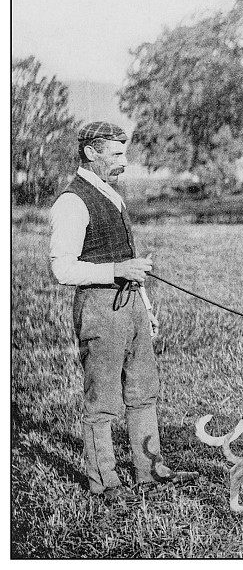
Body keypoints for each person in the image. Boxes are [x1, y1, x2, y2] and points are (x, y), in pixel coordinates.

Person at [49, 121, 196, 502]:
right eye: (116, 154)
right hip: (99, 307)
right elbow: (61, 269)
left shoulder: (111, 194)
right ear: (90, 153)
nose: (124, 162)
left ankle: (151, 470)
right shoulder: (72, 201)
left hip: (130, 304)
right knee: (103, 403)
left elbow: (127, 259)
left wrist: (144, 307)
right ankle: (105, 482)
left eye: (124, 153)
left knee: (144, 391)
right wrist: (115, 271)